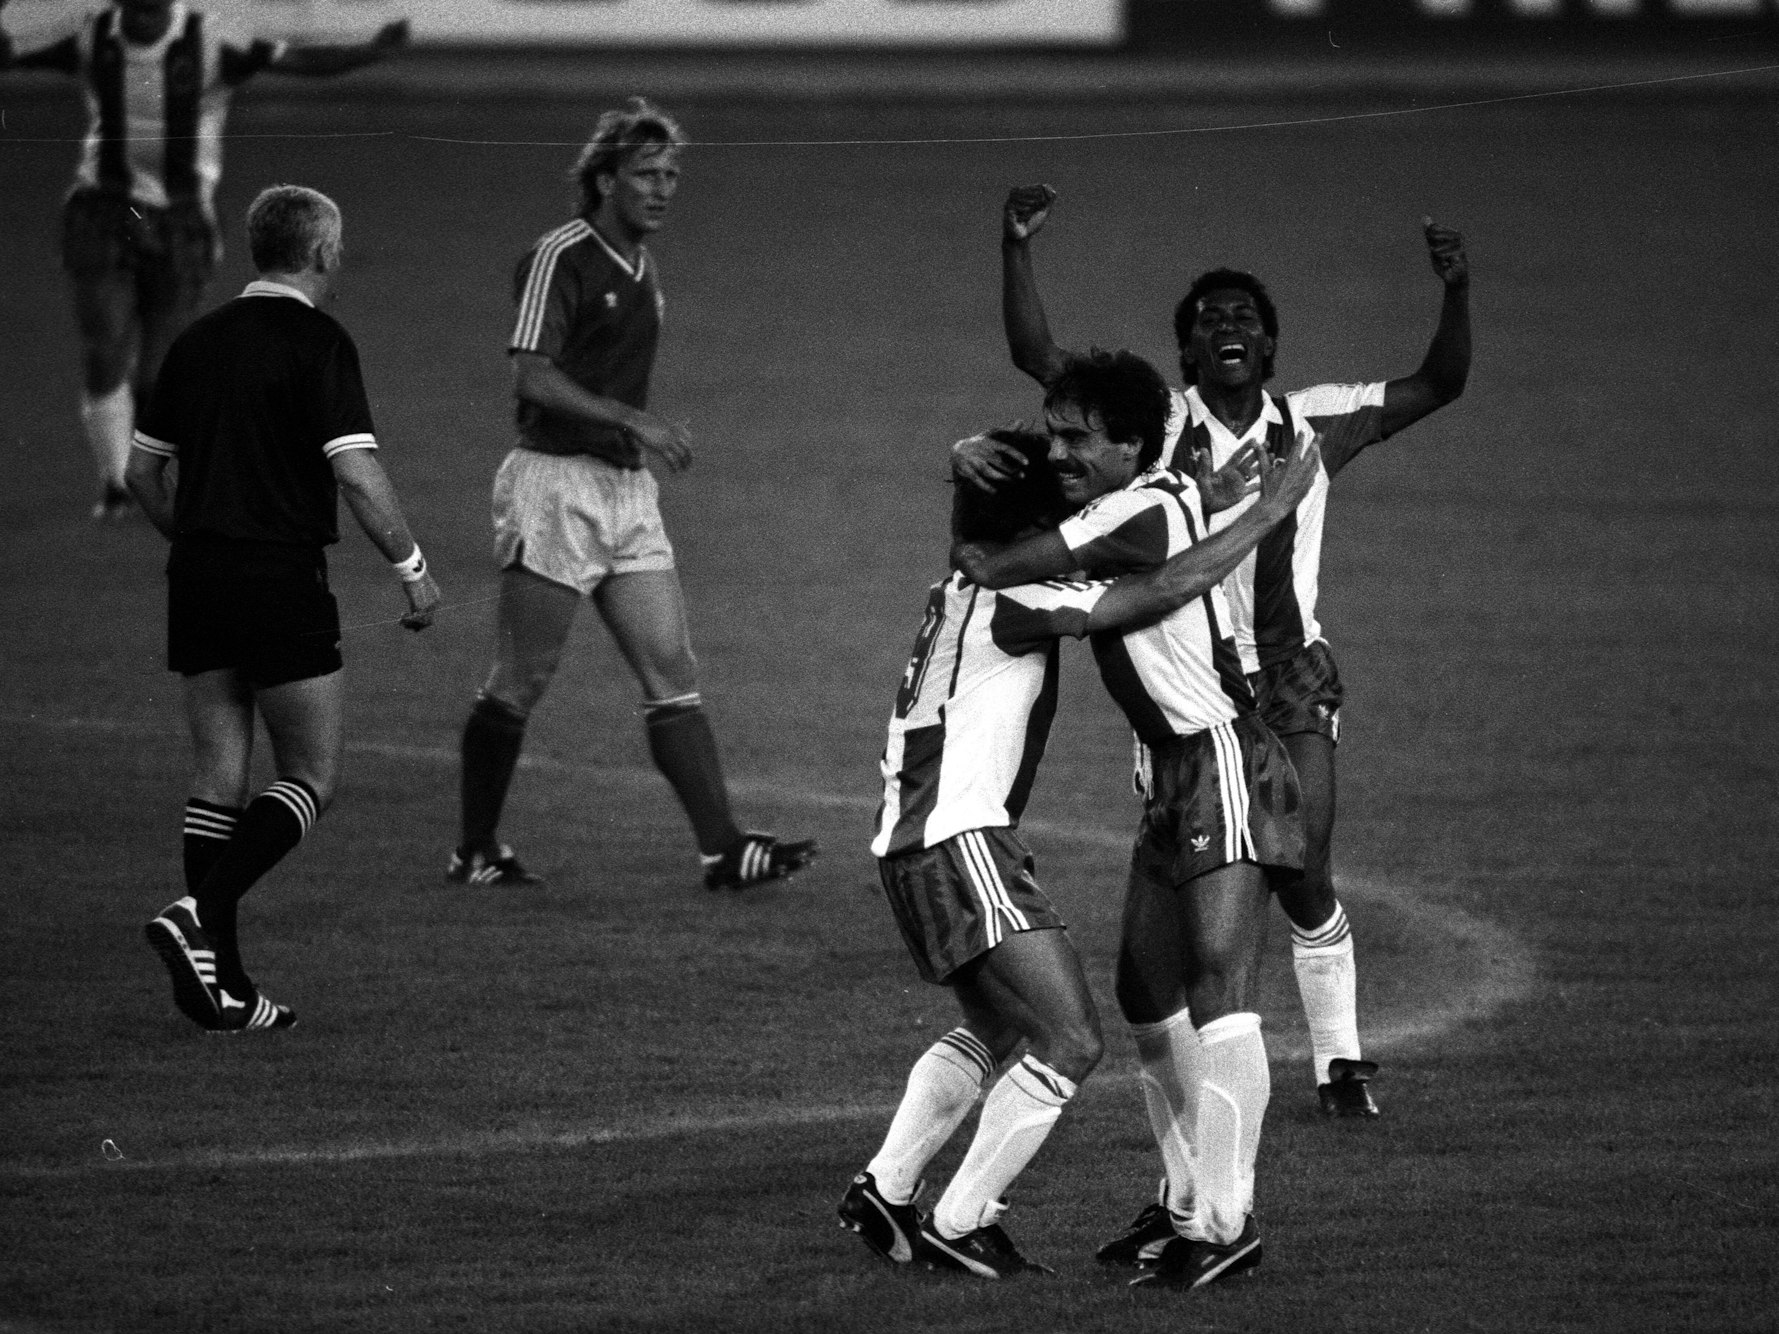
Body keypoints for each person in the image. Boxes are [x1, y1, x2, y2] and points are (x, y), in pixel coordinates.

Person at [971, 183, 1472, 1128]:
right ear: (1188, 351)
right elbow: (1041, 361)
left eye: (1246, 316)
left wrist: (1455, 289)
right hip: (1191, 690)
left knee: (1303, 865)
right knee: (1187, 923)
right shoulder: (1157, 424)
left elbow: (1438, 384)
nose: (1229, 327)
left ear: (1270, 346)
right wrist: (1016, 250)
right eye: (1209, 321)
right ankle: (1213, 1094)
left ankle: (1339, 1061)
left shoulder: (1316, 423)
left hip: (1288, 673)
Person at [841, 406, 1321, 1279]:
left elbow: (1100, 529)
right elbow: (1156, 590)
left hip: (910, 842)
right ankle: (962, 1217)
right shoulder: (1020, 597)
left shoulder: (957, 589)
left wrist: (1188, 495)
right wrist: (1261, 512)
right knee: (1070, 1039)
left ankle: (887, 1185)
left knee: (997, 1021)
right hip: (960, 841)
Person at [952, 349, 1371, 1291]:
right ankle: (1182, 1204)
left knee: (1221, 990)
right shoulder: (1146, 494)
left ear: (1130, 445)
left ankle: (1226, 1221)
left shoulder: (1139, 509)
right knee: (1146, 996)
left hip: (1224, 757)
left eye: (1076, 437)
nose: (1057, 451)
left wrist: (1263, 512)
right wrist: (972, 451)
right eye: (1050, 432)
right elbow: (1044, 490)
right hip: (1173, 775)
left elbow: (995, 560)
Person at [450, 98, 815, 892]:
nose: (663, 189)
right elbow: (531, 374)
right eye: (647, 174)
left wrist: (632, 439)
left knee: (671, 670)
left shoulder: (643, 266)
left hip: (624, 493)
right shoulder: (562, 255)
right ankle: (475, 848)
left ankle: (722, 848)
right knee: (522, 679)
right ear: (605, 178)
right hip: (554, 486)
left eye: (672, 175)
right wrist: (632, 419)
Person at [127, 184, 440, 1032]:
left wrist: (196, 543)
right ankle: (198, 915)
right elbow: (355, 471)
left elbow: (142, 474)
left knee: (218, 776)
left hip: (197, 579)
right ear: (323, 253)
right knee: (309, 774)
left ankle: (223, 986)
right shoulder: (318, 341)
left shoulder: (196, 342)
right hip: (278, 577)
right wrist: (410, 565)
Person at [0, 0, 410, 520]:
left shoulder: (212, 39)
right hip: (103, 212)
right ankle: (115, 484)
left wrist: (371, 51)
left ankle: (149, 471)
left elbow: (298, 62)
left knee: (159, 366)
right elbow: (10, 55)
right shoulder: (92, 34)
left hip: (180, 223)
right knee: (105, 346)